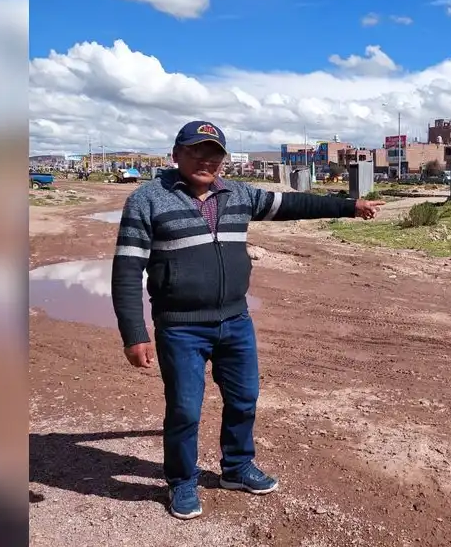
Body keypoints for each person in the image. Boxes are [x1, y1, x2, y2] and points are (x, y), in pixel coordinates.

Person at [111, 120, 383, 520]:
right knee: (185, 409)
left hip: (235, 320)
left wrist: (349, 205)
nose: (206, 161)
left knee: (244, 399)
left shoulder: (237, 194)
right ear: (176, 154)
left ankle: (236, 468)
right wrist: (134, 333)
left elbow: (291, 205)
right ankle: (182, 482)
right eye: (196, 152)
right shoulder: (147, 200)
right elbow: (127, 271)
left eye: (214, 154)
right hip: (181, 326)